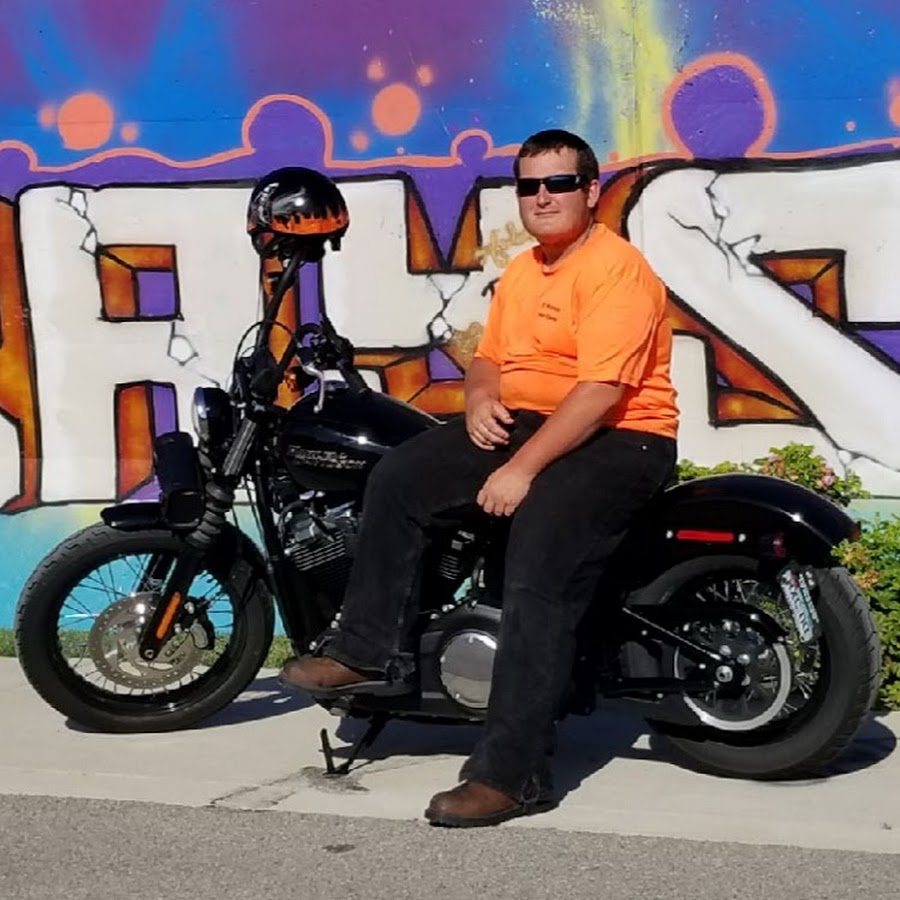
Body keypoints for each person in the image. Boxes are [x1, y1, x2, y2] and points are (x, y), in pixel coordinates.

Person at [280, 129, 679, 827]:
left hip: (624, 437)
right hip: (529, 422)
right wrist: (479, 396)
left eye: (559, 183)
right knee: (400, 476)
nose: (543, 197)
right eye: (529, 185)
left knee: (539, 553)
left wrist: (522, 469)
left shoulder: (617, 269)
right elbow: (490, 357)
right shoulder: (525, 270)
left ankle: (511, 776)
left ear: (590, 191)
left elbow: (601, 393)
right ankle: (365, 652)